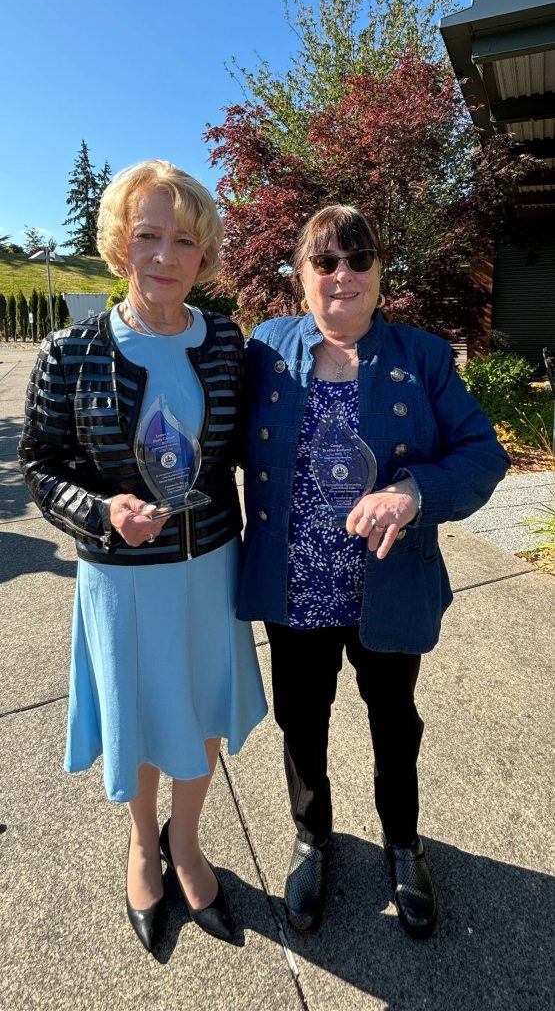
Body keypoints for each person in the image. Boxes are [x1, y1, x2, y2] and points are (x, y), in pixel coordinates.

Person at [237, 204, 509, 938]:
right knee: (301, 720)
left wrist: (412, 490)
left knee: (394, 721)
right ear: (300, 277)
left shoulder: (420, 357)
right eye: (324, 261)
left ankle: (402, 843)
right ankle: (310, 836)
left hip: (386, 587)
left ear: (380, 275)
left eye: (357, 260)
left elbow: (484, 454)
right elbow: (209, 432)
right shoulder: (265, 349)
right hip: (292, 588)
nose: (342, 275)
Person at [18, 159, 267, 953]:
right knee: (139, 715)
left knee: (197, 718)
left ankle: (186, 845)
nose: (163, 254)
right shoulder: (71, 349)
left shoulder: (225, 340)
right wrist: (98, 509)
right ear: (121, 243)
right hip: (121, 580)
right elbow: (39, 461)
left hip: (208, 569)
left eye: (183, 240)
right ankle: (139, 845)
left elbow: (258, 446)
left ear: (204, 257)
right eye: (147, 234)